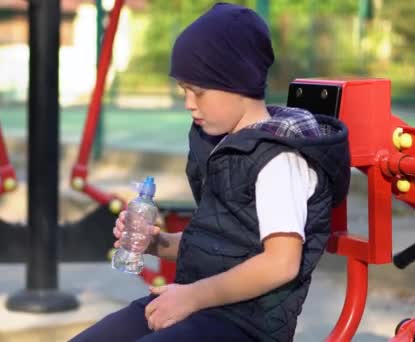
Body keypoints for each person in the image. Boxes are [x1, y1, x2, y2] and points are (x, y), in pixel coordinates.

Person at [69, 2, 350, 341]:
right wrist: (156, 243)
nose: (189, 102)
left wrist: (191, 296)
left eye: (198, 92)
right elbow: (218, 244)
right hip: (199, 304)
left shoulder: (278, 160)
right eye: (184, 90)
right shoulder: (222, 145)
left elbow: (281, 263)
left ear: (238, 83)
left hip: (245, 326)